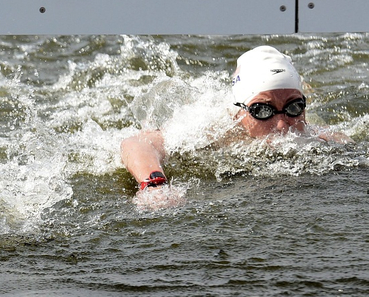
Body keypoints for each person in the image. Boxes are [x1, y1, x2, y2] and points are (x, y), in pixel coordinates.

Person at [121, 45, 352, 194]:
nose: (282, 124)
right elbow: (137, 144)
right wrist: (154, 185)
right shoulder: (213, 132)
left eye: (293, 107)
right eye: (262, 110)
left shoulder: (316, 136)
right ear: (239, 112)